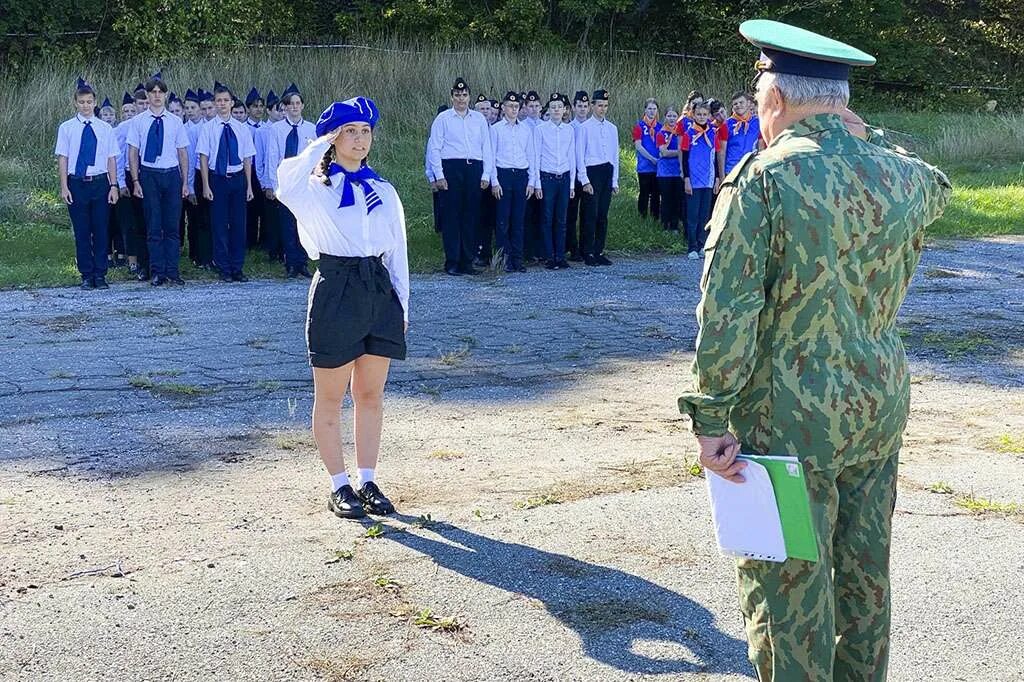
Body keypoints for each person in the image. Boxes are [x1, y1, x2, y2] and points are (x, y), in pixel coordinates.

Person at [677, 20, 952, 681]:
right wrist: (868, 137)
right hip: (876, 406)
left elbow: (727, 316)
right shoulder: (900, 176)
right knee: (864, 579)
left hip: (787, 417)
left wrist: (711, 419)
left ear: (773, 99)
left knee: (788, 590)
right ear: (840, 101)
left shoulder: (764, 181)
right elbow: (937, 185)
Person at [276, 97, 409, 520]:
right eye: (350, 131)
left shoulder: (383, 189)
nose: (359, 139)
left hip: (377, 289)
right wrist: (320, 144)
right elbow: (284, 183)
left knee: (370, 394)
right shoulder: (315, 189)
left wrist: (401, 304)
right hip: (336, 287)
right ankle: (339, 484)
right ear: (334, 137)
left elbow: (398, 251)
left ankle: (368, 479)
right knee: (330, 396)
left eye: (365, 131)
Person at [55, 78, 120, 290]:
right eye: (81, 102)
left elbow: (111, 158)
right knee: (82, 231)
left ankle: (100, 274)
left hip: (100, 183)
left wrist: (114, 186)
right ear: (75, 103)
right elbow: (63, 158)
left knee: (101, 229)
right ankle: (86, 274)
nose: (85, 105)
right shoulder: (66, 128)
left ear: (95, 102)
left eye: (89, 102)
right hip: (77, 183)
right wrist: (64, 186)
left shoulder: (105, 128)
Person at [127, 75, 190, 286]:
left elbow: (182, 153)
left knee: (172, 226)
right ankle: (157, 271)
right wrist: (136, 181)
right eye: (152, 92)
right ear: (147, 95)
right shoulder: (138, 122)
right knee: (154, 226)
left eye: (160, 92)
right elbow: (133, 152)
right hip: (149, 174)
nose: (156, 96)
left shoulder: (175, 121)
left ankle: (172, 270)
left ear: (165, 94)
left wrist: (185, 182)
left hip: (171, 174)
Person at [426, 77, 493, 276]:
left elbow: (486, 147)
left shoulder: (479, 119)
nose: (461, 99)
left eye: (464, 95)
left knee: (471, 216)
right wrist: (438, 175)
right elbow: (435, 148)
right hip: (451, 168)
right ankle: (452, 261)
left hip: (474, 168)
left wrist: (486, 174)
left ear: (469, 97)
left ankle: (467, 261)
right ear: (451, 96)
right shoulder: (443, 119)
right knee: (452, 216)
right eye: (457, 95)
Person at [198, 84, 256, 283]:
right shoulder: (208, 128)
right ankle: (223, 267)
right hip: (218, 179)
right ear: (215, 103)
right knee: (220, 225)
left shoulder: (241, 128)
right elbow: (204, 158)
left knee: (239, 225)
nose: (222, 104)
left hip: (238, 179)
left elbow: (247, 158)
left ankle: (237, 267)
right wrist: (206, 185)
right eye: (218, 101)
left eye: (225, 100)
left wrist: (249, 185)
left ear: (232, 103)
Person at [264, 84, 316, 278]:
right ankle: (291, 263)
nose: (294, 107)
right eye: (290, 104)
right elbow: (273, 157)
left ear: (302, 106)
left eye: (297, 103)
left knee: (302, 223)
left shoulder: (311, 129)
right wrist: (275, 185)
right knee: (286, 225)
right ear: (284, 108)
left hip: (304, 183)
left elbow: (315, 159)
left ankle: (303, 262)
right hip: (286, 183)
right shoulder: (276, 129)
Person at [489, 91, 533, 273]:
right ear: (503, 107)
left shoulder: (526, 129)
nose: (513, 110)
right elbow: (490, 157)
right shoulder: (496, 129)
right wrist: (494, 181)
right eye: (510, 106)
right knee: (503, 220)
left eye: (516, 107)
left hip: (521, 176)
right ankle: (504, 260)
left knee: (518, 220)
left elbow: (531, 156)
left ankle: (518, 259)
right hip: (503, 175)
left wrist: (532, 181)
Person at [532, 92, 576, 270]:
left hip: (564, 178)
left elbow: (571, 157)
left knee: (561, 219)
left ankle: (560, 256)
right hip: (547, 178)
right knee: (547, 218)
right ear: (548, 110)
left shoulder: (569, 130)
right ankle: (549, 256)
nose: (557, 110)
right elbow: (536, 156)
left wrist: (572, 184)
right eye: (553, 107)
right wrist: (537, 183)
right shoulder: (540, 129)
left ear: (565, 110)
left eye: (560, 107)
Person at [576, 89, 618, 266]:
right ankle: (587, 251)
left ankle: (599, 250)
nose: (603, 109)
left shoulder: (612, 128)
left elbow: (614, 155)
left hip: (606, 171)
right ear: (592, 106)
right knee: (589, 214)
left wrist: (614, 180)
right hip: (592, 171)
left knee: (602, 214)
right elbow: (579, 155)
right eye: (599, 105)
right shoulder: (584, 128)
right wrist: (584, 180)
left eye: (605, 106)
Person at [680, 102, 720, 259]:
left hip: (708, 180)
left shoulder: (713, 133)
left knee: (705, 214)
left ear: (709, 116)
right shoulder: (688, 134)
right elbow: (684, 158)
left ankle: (702, 243)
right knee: (693, 215)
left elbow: (716, 157)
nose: (702, 117)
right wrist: (686, 179)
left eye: (705, 114)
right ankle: (692, 247)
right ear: (693, 115)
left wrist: (717, 178)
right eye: (699, 114)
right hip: (694, 180)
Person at [256, 89, 283, 262]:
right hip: (269, 180)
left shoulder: (283, 129)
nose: (281, 113)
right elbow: (260, 161)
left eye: (282, 109)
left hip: (286, 180)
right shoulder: (262, 131)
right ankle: (272, 251)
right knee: (271, 219)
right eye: (277, 109)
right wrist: (265, 183)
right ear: (269, 111)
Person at [565, 90, 590, 261]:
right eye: (579, 106)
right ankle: (572, 248)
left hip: (589, 175)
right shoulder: (569, 128)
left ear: (589, 108)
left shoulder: (591, 127)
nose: (582, 109)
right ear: (573, 108)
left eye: (585, 106)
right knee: (571, 214)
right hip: (573, 176)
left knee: (587, 213)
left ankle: (585, 247)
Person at [718, 91, 761, 177]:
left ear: (748, 103)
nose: (738, 105)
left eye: (741, 102)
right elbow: (721, 152)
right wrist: (722, 176)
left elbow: (761, 148)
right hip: (732, 170)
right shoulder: (726, 125)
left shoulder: (758, 123)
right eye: (735, 104)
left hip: (751, 169)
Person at [244, 87, 267, 250]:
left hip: (263, 170)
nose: (258, 109)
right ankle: (249, 240)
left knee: (264, 207)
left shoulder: (267, 128)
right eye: (254, 106)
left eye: (261, 106)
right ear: (248, 109)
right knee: (249, 207)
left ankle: (264, 241)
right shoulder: (243, 128)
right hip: (248, 170)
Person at [632, 98, 661, 220]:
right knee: (644, 192)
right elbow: (638, 146)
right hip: (644, 166)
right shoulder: (638, 126)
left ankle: (655, 217)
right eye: (649, 108)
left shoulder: (660, 127)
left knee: (656, 193)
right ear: (645, 110)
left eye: (654, 109)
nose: (652, 111)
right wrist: (651, 158)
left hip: (658, 166)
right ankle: (642, 217)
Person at [655, 107, 682, 233]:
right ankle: (665, 225)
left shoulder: (681, 133)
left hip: (678, 171)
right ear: (665, 117)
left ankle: (675, 226)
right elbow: (664, 153)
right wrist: (680, 152)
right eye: (669, 116)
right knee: (666, 199)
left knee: (676, 199)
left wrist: (675, 153)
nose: (672, 119)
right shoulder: (661, 133)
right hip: (664, 173)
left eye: (674, 116)